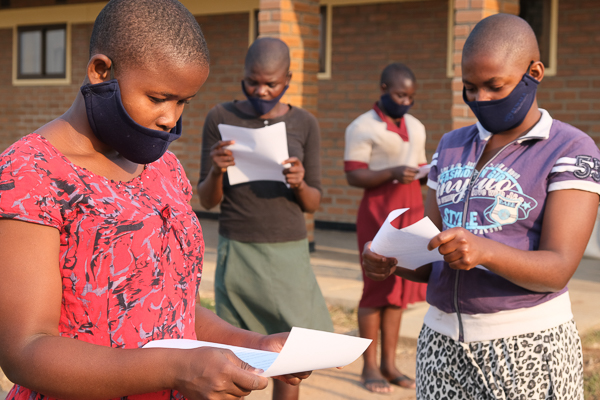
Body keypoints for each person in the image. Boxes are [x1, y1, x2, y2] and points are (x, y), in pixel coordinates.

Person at [0, 1, 311, 399]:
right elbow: (25, 349)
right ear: (101, 71)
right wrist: (175, 369)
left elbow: (176, 309)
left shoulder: (165, 168)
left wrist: (253, 345)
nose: (170, 118)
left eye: (183, 102)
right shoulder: (31, 173)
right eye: (158, 97)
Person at [362, 13, 600, 399]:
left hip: (526, 345)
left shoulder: (570, 149)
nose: (480, 99)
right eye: (469, 88)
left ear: (534, 72)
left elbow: (557, 269)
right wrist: (389, 261)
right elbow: (431, 256)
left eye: (494, 86)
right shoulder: (451, 145)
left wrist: (484, 250)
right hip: (440, 343)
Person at [197, 37, 333, 400]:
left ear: (287, 79)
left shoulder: (304, 123)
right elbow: (206, 201)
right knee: (236, 353)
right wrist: (215, 171)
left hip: (287, 250)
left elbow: (314, 203)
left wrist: (300, 182)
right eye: (252, 82)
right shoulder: (221, 118)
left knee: (289, 359)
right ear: (242, 77)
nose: (261, 90)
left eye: (270, 83)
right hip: (238, 247)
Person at [343, 63, 427, 393]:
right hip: (379, 211)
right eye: (399, 94)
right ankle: (370, 367)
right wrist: (392, 170)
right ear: (383, 88)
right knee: (376, 286)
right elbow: (353, 174)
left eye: (411, 97)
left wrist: (425, 171)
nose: (406, 101)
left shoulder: (416, 126)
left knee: (399, 291)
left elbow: (420, 164)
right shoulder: (362, 126)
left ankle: (390, 365)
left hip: (411, 207)